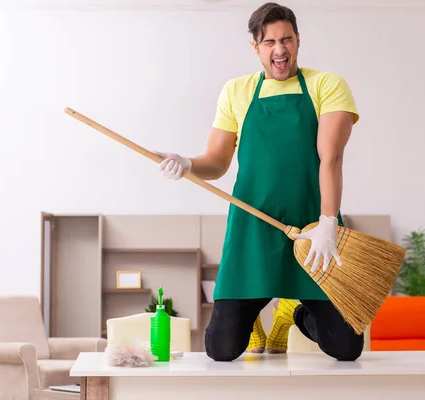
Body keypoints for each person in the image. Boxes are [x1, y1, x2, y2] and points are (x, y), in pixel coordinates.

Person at [154, 2, 363, 362]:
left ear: (298, 40)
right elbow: (217, 162)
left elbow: (331, 157)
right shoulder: (237, 90)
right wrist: (186, 163)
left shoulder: (326, 85)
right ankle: (255, 319)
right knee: (220, 349)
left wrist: (328, 223)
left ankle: (294, 314)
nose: (279, 50)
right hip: (253, 226)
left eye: (286, 40)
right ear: (256, 47)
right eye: (269, 42)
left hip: (313, 230)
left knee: (346, 347)